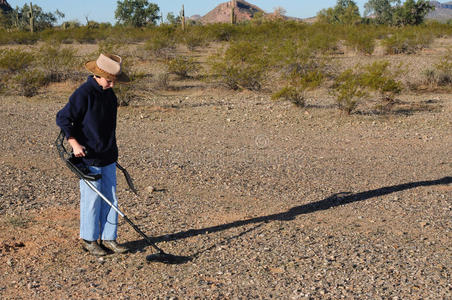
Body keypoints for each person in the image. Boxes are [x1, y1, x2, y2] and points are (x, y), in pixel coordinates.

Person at [56, 53, 130, 256]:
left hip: (108, 155)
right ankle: (89, 239)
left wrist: (112, 150)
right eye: (109, 80)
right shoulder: (84, 93)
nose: (112, 85)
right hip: (88, 156)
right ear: (98, 75)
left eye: (114, 81)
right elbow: (63, 118)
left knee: (111, 198)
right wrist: (74, 143)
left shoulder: (109, 94)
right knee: (92, 199)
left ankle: (109, 238)